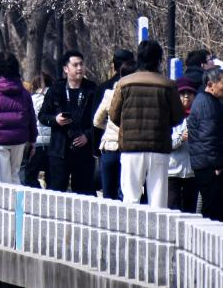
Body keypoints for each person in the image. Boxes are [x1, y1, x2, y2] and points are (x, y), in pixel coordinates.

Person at [109, 40, 182, 208]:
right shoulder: (168, 85)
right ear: (159, 59)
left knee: (131, 198)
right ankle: (158, 233)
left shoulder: (124, 83)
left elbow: (113, 115)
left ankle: (130, 233)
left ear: (138, 57)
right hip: (159, 147)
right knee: (158, 201)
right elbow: (178, 117)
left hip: (131, 148)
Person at [38, 50, 97, 194]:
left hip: (83, 151)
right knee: (56, 193)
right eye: (75, 65)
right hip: (60, 150)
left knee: (85, 194)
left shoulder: (92, 89)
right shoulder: (56, 89)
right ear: (66, 69)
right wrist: (55, 120)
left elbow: (98, 120)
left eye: (81, 64)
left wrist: (87, 136)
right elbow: (42, 116)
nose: (79, 68)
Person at [188, 69, 223, 225]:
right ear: (210, 84)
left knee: (217, 209)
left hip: (208, 163)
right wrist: (216, 164)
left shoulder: (210, 102)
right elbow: (208, 137)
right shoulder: (206, 103)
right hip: (211, 166)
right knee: (215, 211)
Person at [0, 51, 37, 185]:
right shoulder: (24, 92)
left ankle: (5, 205)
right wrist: (32, 140)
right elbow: (31, 117)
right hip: (20, 139)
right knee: (15, 174)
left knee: (3, 177)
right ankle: (18, 206)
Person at [94, 58, 136, 200]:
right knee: (126, 193)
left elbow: (96, 121)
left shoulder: (109, 93)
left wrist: (109, 126)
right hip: (129, 149)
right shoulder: (137, 95)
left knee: (108, 194)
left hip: (110, 147)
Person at [168, 77, 198, 213]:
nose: (186, 96)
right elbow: (165, 143)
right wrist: (181, 138)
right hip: (172, 171)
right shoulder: (169, 115)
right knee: (172, 209)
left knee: (190, 211)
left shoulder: (198, 116)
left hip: (192, 172)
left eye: (190, 93)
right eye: (182, 93)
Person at [24, 73, 53, 189]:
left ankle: (37, 197)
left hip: (36, 143)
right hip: (52, 143)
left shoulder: (31, 99)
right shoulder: (54, 98)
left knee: (30, 175)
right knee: (51, 177)